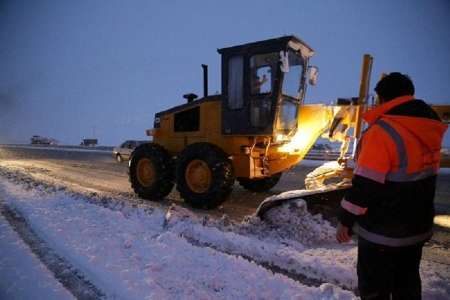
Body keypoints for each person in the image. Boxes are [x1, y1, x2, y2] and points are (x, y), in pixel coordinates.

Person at [336, 72, 448, 299]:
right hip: (417, 228)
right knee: (406, 287)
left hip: (382, 232)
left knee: (374, 290)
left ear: (382, 99)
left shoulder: (382, 131)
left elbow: (365, 186)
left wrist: (345, 222)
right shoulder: (429, 127)